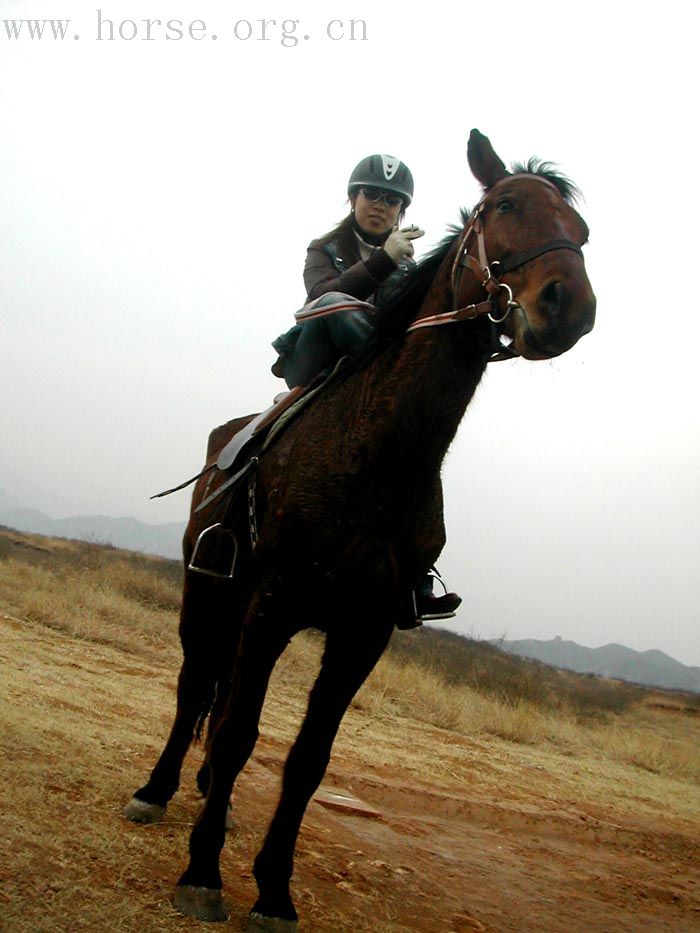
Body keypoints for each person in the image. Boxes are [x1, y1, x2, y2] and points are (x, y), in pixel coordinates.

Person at [271, 153, 461, 622]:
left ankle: (415, 573)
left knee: (415, 447)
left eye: (392, 200)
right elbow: (319, 297)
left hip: (371, 380)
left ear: (402, 212)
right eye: (372, 194)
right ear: (353, 198)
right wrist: (382, 261)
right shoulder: (324, 248)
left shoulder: (410, 270)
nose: (381, 205)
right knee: (335, 300)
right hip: (319, 357)